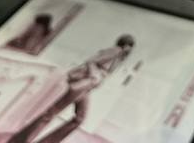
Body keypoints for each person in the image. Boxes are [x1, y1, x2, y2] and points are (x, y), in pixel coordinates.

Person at [7, 35, 135, 143]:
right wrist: (94, 76)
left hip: (86, 89)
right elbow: (91, 61)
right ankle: (21, 140)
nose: (131, 50)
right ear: (126, 45)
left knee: (79, 118)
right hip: (82, 84)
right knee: (51, 113)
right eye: (130, 46)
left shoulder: (119, 57)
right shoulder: (116, 50)